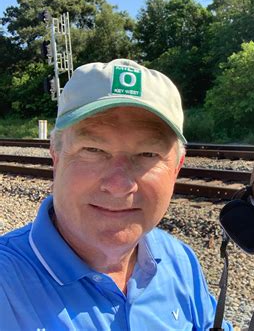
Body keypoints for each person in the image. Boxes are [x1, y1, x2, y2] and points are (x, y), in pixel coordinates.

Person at [0, 59, 232, 330]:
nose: (120, 184)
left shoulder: (179, 261)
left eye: (148, 154)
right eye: (93, 150)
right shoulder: (7, 284)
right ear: (56, 156)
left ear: (176, 168)